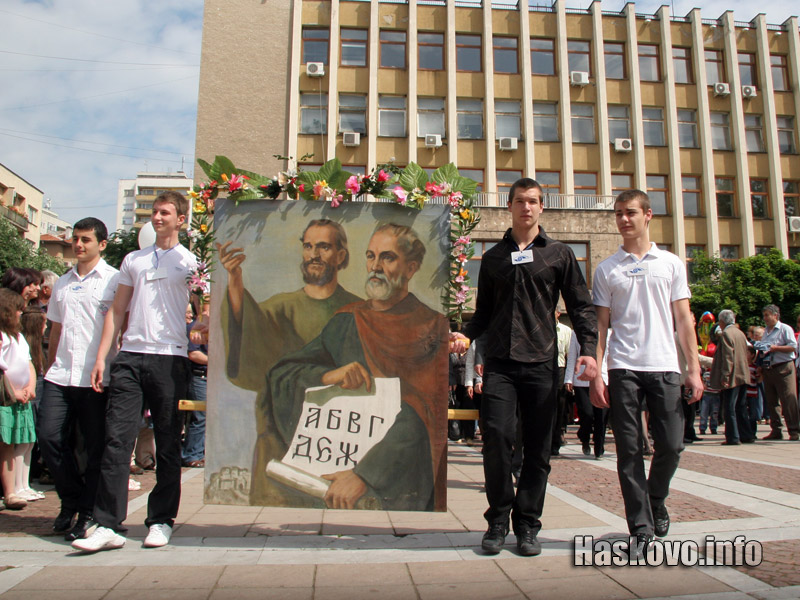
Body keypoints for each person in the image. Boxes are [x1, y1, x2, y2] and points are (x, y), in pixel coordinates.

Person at [450, 177, 598, 557]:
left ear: (541, 207)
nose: (526, 208)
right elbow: (483, 313)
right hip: (499, 363)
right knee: (496, 438)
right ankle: (498, 520)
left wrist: (590, 350)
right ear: (509, 206)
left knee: (537, 450)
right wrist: (466, 335)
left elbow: (580, 306)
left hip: (542, 364)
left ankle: (528, 525)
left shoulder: (560, 254)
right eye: (519, 201)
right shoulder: (494, 257)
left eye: (533, 201)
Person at [265, 223, 449, 511]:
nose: (375, 266)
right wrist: (328, 375)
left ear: (411, 268)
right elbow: (284, 374)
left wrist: (365, 473)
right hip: (336, 474)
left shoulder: (431, 326)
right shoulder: (347, 320)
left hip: (399, 482)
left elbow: (423, 413)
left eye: (387, 257)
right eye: (370, 256)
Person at [72, 190, 197, 553]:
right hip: (130, 355)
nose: (157, 218)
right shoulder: (133, 260)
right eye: (155, 212)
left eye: (165, 213)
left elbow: (203, 311)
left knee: (169, 443)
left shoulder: (192, 262)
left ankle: (161, 520)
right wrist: (103, 356)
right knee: (117, 440)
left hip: (170, 358)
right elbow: (117, 309)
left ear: (180, 219)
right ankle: (107, 523)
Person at [590, 189, 702, 556]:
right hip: (623, 368)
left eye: (631, 212)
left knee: (671, 443)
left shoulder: (671, 263)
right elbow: (601, 327)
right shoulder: (607, 269)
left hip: (665, 365)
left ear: (648, 215)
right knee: (628, 450)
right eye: (619, 213)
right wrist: (598, 374)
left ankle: (656, 498)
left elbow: (684, 319)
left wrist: (694, 369)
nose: (624, 219)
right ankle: (639, 526)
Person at [218, 219, 361, 504]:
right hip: (280, 444)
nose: (313, 254)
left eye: (323, 247)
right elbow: (250, 346)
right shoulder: (279, 307)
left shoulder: (359, 311)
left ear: (341, 256)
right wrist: (234, 282)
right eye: (308, 246)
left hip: (341, 440)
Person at [38, 218, 119, 540]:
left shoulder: (113, 281)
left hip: (95, 376)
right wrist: (48, 368)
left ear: (102, 244)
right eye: (75, 239)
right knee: (49, 438)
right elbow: (55, 328)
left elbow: (118, 330)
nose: (78, 245)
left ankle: (88, 511)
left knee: (94, 449)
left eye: (85, 239)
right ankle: (70, 499)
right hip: (60, 374)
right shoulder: (62, 282)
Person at [0, 288, 37, 510]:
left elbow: (28, 363)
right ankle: (9, 491)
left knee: (11, 445)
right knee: (5, 445)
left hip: (19, 397)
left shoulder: (19, 337)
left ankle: (11, 491)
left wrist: (30, 386)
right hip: (6, 398)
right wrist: (11, 391)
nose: (20, 315)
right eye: (18, 311)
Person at [709, 310, 754, 445]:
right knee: (740, 406)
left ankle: (733, 437)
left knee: (729, 407)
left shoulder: (726, 334)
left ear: (722, 321)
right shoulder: (739, 333)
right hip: (743, 373)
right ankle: (746, 434)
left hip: (733, 375)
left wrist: (725, 375)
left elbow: (728, 357)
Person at [565, 329, 608, 459]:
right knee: (587, 413)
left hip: (603, 378)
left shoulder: (608, 332)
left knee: (601, 416)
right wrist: (568, 378)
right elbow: (572, 357)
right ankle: (584, 437)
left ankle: (599, 446)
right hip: (581, 380)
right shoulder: (576, 333)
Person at [759, 304, 799, 441]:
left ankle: (794, 430)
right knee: (771, 401)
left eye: (767, 315)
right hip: (769, 368)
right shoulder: (766, 331)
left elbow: (793, 347)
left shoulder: (785, 329)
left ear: (775, 315)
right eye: (764, 315)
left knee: (788, 399)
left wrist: (775, 348)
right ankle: (776, 429)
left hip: (783, 367)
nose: (765, 318)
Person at [182, 302, 208, 468]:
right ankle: (191, 454)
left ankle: (201, 452)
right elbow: (193, 353)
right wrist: (218, 362)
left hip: (212, 378)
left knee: (208, 417)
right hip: (200, 376)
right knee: (200, 416)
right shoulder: (195, 328)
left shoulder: (218, 325)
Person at [551, 308, 573, 456]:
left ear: (558, 313)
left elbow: (568, 354)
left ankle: (556, 439)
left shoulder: (566, 330)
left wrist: (569, 378)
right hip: (542, 367)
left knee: (559, 405)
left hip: (559, 369)